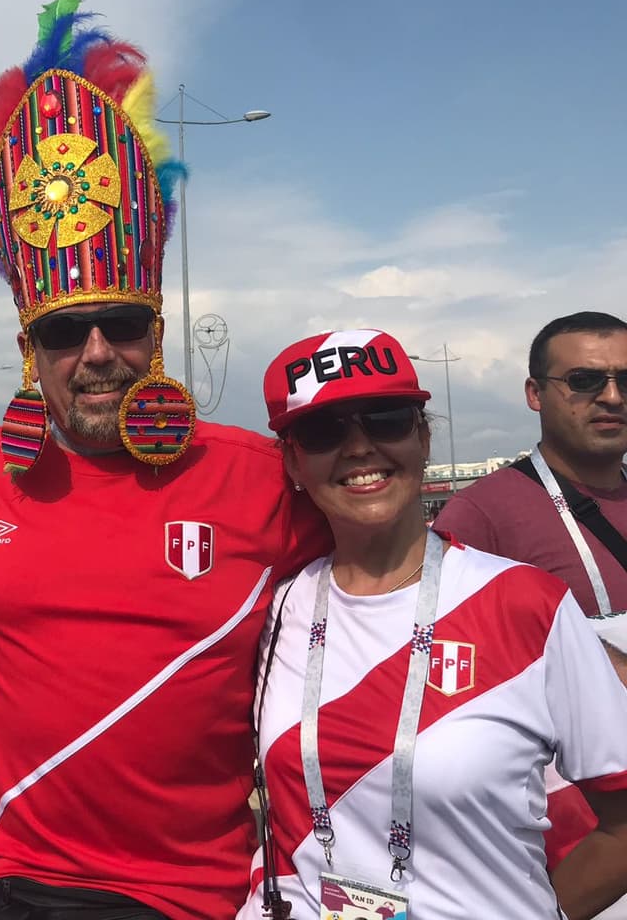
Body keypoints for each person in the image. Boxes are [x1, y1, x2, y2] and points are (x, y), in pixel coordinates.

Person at [0, 0, 327, 919]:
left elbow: (385, 589)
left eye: (122, 324)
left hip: (197, 896)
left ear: (156, 329)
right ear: (31, 350)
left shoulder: (259, 476)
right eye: (65, 332)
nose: (96, 354)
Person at [240, 328, 627, 920]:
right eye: (324, 432)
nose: (360, 447)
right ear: (292, 461)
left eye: (387, 419)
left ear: (423, 436)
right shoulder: (278, 609)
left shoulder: (527, 603)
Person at [432, 310, 627, 918]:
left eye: (626, 379)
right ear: (535, 394)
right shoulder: (481, 515)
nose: (612, 397)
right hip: (582, 829)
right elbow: (440, 664)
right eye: (586, 380)